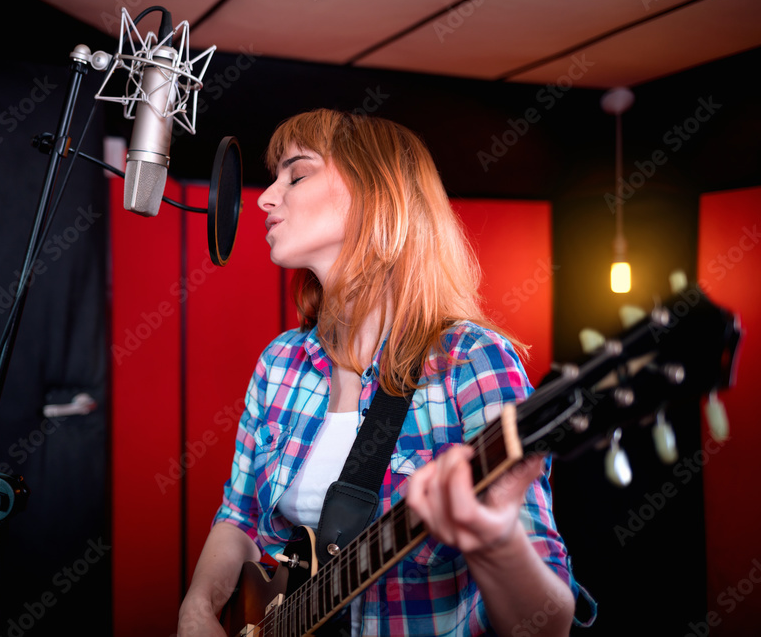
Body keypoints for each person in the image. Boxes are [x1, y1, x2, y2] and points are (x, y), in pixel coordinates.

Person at [176, 108, 594, 636]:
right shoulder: (280, 362)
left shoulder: (473, 360)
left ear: (378, 194)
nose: (265, 197)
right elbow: (237, 520)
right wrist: (195, 608)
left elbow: (546, 625)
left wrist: (495, 542)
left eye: (297, 174)